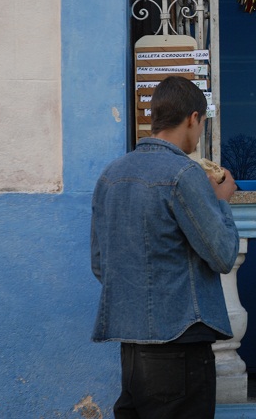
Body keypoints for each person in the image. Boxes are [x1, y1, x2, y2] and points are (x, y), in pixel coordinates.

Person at [91, 76, 239, 419]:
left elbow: (101, 264)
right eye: (201, 124)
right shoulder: (183, 173)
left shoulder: (110, 175)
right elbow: (222, 255)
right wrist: (221, 201)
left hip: (131, 347)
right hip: (180, 342)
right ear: (193, 118)